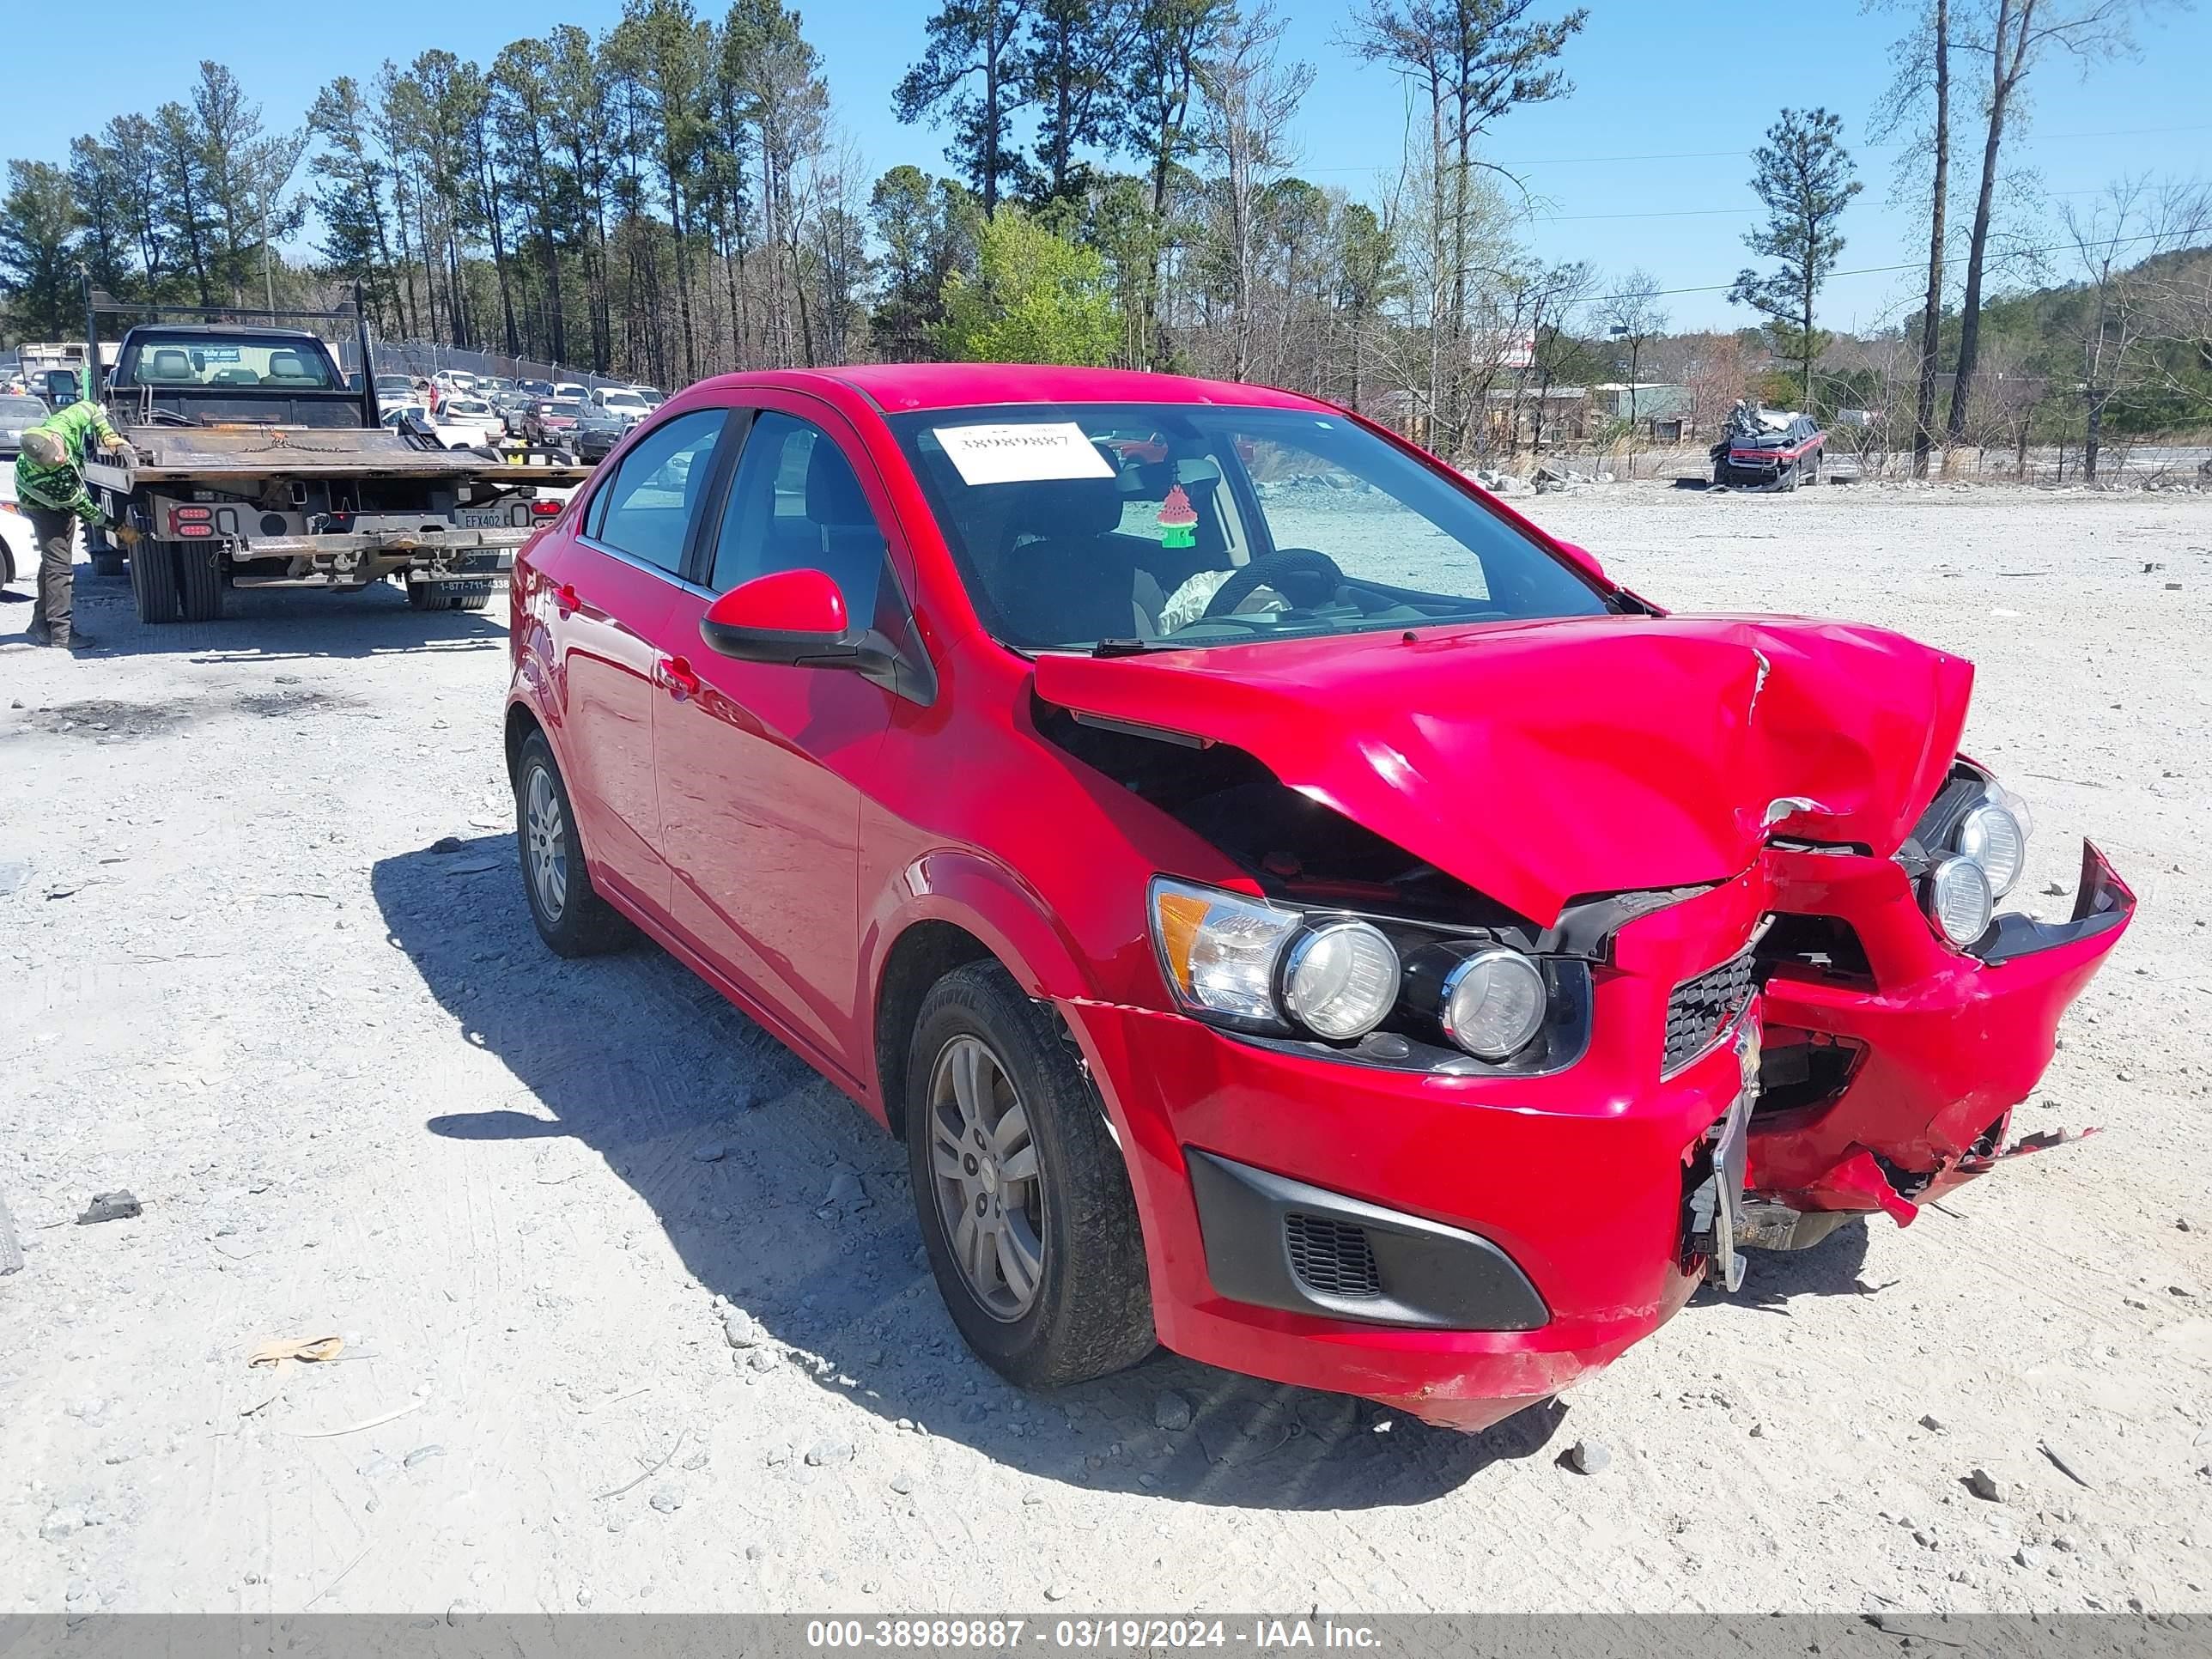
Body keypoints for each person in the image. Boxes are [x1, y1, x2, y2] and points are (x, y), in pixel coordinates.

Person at [14, 400, 138, 650]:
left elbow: (90, 408)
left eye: (58, 453)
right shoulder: (49, 476)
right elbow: (84, 509)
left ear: (54, 436)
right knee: (60, 567)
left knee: (52, 563)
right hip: (44, 507)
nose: (60, 459)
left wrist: (108, 434)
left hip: (56, 497)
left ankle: (40, 624)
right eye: (53, 461)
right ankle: (61, 634)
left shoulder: (62, 424)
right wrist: (118, 528)